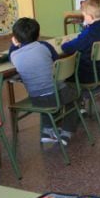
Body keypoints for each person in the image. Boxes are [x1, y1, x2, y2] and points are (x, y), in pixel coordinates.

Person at [9, 17, 80, 146]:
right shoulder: (44, 46)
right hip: (57, 95)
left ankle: (47, 131)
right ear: (38, 35)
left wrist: (14, 45)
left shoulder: (14, 55)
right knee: (74, 96)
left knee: (46, 94)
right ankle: (66, 132)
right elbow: (57, 61)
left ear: (15, 38)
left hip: (36, 99)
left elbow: (13, 52)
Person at [61, 0, 100, 84]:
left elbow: (68, 48)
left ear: (89, 17)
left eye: (84, 15)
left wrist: (64, 43)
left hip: (88, 74)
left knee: (61, 71)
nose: (84, 17)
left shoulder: (89, 34)